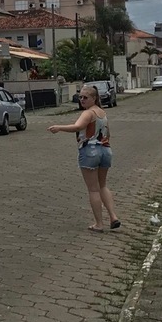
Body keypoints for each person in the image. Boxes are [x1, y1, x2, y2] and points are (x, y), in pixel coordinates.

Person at [47, 85, 121, 232]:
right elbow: (108, 133)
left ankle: (99, 224)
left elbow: (77, 127)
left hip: (90, 151)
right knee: (103, 185)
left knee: (93, 190)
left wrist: (59, 127)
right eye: (80, 97)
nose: (82, 100)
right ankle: (113, 216)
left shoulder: (88, 113)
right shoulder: (102, 113)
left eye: (85, 97)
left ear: (94, 98)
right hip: (105, 150)